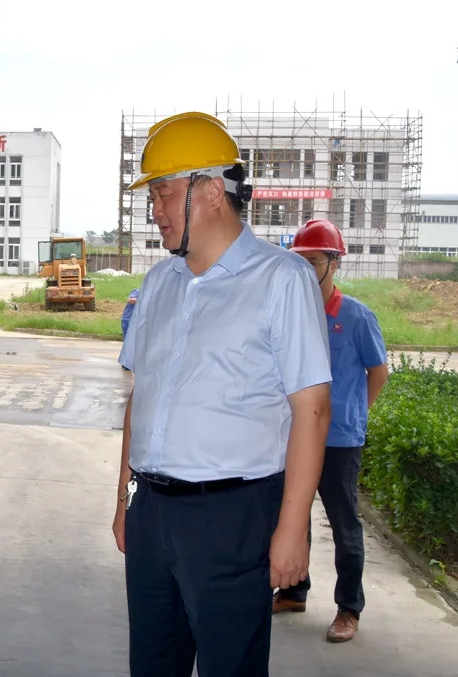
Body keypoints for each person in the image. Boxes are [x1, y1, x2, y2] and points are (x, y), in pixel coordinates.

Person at [113, 112, 333, 677]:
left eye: (163, 193)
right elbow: (141, 397)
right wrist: (124, 501)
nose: (155, 210)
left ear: (211, 191)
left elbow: (311, 411)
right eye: (152, 197)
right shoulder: (158, 284)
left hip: (232, 516)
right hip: (151, 509)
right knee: (152, 664)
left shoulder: (281, 279)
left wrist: (292, 530)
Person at [273, 219, 389, 642]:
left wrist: (355, 415)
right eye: (300, 260)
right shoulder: (291, 313)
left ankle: (348, 609)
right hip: (296, 437)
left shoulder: (356, 317)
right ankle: (293, 590)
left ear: (334, 263)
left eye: (314, 261)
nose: (306, 269)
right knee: (293, 514)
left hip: (339, 441)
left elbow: (378, 373)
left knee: (344, 525)